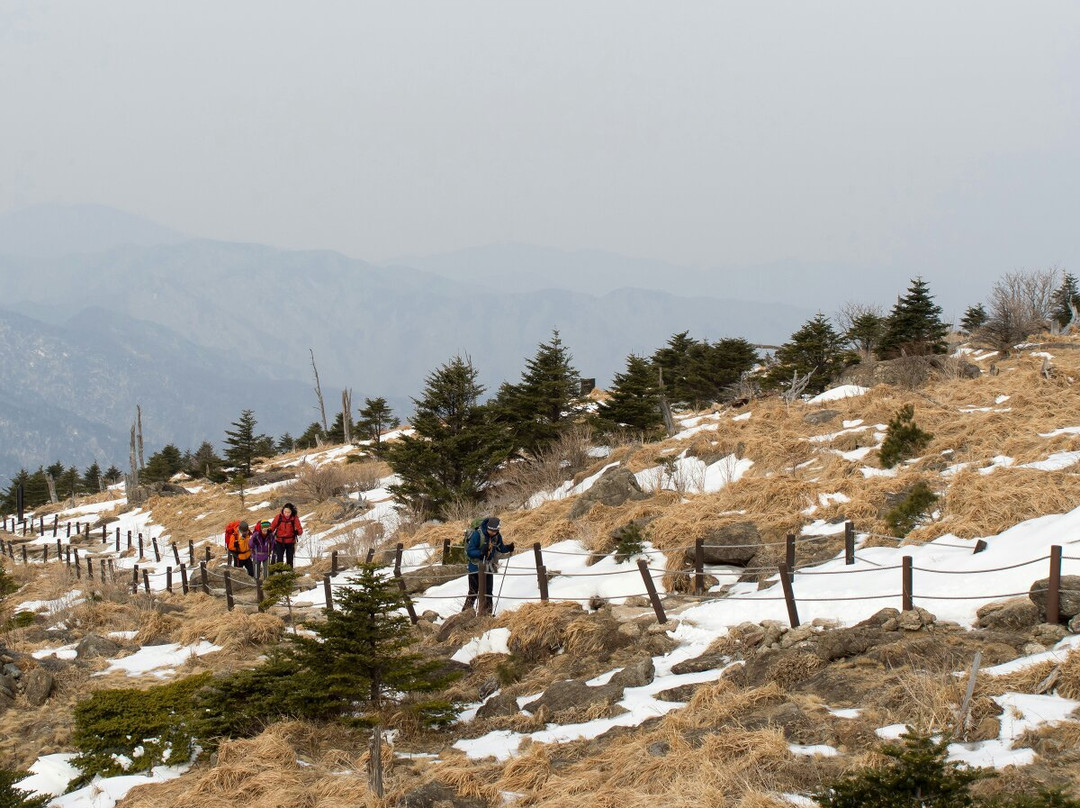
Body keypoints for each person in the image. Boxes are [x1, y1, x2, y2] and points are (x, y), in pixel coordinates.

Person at [464, 516, 514, 615]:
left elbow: (500, 548)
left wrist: (508, 548)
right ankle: (464, 614)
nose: (492, 532)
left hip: (488, 566)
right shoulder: (477, 534)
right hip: (475, 566)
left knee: (488, 592)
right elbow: (470, 551)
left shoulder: (497, 536)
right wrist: (480, 553)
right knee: (473, 592)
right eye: (490, 530)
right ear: (487, 527)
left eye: (495, 531)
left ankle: (487, 614)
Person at [270, 503, 303, 568]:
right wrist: (269, 531)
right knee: (279, 560)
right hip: (279, 542)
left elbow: (300, 530)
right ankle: (278, 574)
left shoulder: (294, 518)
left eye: (289, 512)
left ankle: (289, 574)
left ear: (292, 512)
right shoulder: (278, 517)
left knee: (290, 560)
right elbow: (272, 527)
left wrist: (297, 532)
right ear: (283, 510)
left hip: (290, 542)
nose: (287, 514)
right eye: (285, 512)